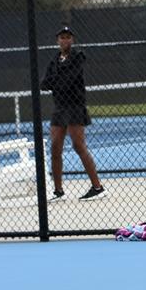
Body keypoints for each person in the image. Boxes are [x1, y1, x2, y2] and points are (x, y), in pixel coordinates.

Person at [40, 26, 106, 202]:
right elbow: (44, 83)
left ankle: (97, 187)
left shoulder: (78, 57)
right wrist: (56, 82)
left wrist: (55, 82)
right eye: (62, 37)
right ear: (57, 40)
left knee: (78, 146)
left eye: (68, 37)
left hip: (75, 106)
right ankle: (58, 191)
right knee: (55, 148)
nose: (65, 40)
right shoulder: (54, 60)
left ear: (72, 40)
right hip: (59, 107)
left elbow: (69, 80)